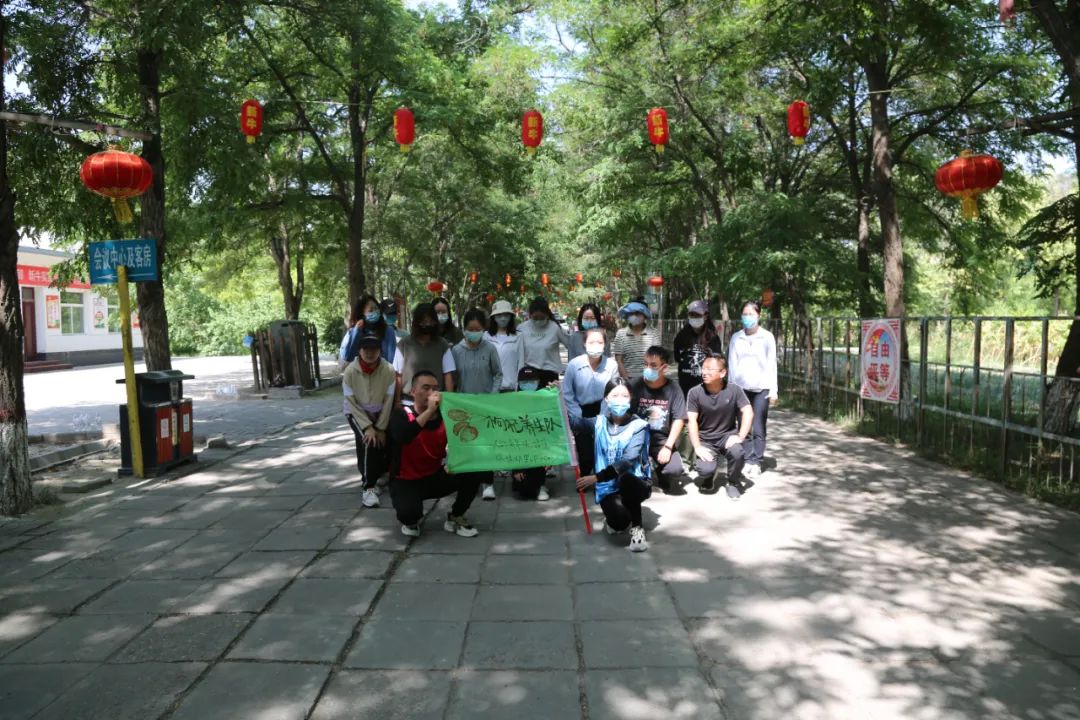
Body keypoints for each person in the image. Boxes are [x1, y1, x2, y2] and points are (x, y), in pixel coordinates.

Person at [388, 371, 481, 537]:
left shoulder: (446, 417)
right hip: (406, 480)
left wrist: (453, 462)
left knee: (473, 470)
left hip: (434, 476)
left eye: (435, 388)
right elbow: (404, 436)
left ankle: (456, 515)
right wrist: (429, 411)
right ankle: (412, 517)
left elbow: (463, 443)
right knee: (409, 516)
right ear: (413, 391)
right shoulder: (401, 414)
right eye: (426, 388)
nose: (432, 393)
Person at [575, 377, 652, 552]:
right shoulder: (599, 422)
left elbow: (628, 460)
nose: (619, 400)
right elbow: (572, 422)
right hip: (608, 487)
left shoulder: (639, 426)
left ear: (631, 398)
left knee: (626, 479)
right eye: (614, 395)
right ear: (606, 399)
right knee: (618, 523)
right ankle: (620, 517)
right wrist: (556, 398)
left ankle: (638, 530)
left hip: (636, 483)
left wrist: (596, 477)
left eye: (624, 396)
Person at [452, 308, 503, 501]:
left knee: (486, 443)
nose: (474, 332)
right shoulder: (456, 351)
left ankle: (488, 483)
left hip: (485, 403)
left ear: (484, 329)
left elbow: (498, 373)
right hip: (463, 405)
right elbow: (453, 377)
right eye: (470, 329)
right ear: (464, 329)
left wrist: (493, 396)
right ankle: (466, 482)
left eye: (478, 329)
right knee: (466, 442)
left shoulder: (489, 349)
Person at [342, 329, 396, 508]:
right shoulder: (350, 371)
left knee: (384, 440)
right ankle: (368, 487)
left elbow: (389, 400)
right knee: (368, 440)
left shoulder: (388, 370)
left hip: (380, 411)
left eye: (374, 349)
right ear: (359, 350)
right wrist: (368, 427)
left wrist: (380, 427)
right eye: (366, 349)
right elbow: (351, 402)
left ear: (380, 350)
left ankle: (382, 474)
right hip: (356, 412)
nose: (370, 353)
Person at [687, 356, 753, 499]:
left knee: (737, 452)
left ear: (723, 373)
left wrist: (740, 436)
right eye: (703, 368)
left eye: (709, 369)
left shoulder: (735, 390)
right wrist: (697, 447)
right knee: (705, 470)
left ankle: (733, 482)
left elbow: (748, 411)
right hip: (706, 439)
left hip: (727, 437)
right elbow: (691, 421)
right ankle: (709, 477)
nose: (704, 372)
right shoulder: (694, 392)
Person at [726, 300, 778, 480]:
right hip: (741, 388)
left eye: (751, 314)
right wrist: (731, 389)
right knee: (744, 425)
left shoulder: (767, 337)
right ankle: (748, 458)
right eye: (745, 314)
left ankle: (757, 460)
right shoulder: (736, 337)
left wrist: (773, 390)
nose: (748, 317)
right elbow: (732, 365)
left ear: (759, 315)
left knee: (758, 425)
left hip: (761, 388)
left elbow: (772, 364)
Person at [630, 346, 689, 493]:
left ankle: (661, 471)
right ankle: (643, 470)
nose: (648, 368)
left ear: (664, 367)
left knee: (675, 469)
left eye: (653, 365)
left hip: (661, 440)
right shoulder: (634, 385)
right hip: (637, 438)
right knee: (634, 482)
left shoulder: (674, 389)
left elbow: (679, 419)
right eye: (645, 364)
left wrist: (668, 447)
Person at [563, 328, 618, 476]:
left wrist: (602, 417)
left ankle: (602, 479)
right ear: (584, 343)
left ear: (605, 344)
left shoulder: (611, 365)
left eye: (600, 342)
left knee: (602, 452)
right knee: (586, 455)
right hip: (580, 412)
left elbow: (612, 392)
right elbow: (567, 392)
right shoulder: (574, 365)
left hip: (604, 412)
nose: (595, 346)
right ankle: (585, 479)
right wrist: (577, 414)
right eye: (591, 342)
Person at [393, 303, 455, 403]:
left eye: (431, 321)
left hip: (435, 400)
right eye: (424, 322)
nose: (427, 325)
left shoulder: (442, 344)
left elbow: (448, 374)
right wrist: (397, 402)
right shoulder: (403, 344)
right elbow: (398, 375)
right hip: (409, 401)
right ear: (417, 322)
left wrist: (450, 402)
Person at [510, 366, 550, 500]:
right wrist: (516, 469)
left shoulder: (545, 401)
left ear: (538, 382)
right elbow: (509, 437)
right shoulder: (512, 403)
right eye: (524, 382)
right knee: (523, 490)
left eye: (532, 381)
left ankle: (541, 484)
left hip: (539, 449)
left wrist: (552, 456)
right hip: (519, 450)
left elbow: (552, 430)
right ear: (519, 383)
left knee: (532, 485)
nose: (528, 384)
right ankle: (521, 478)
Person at [673, 299, 723, 396]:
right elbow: (677, 357)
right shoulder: (681, 336)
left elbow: (716, 361)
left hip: (706, 387)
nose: (694, 318)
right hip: (685, 386)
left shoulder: (712, 338)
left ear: (705, 316)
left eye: (698, 315)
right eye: (692, 315)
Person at [518, 296, 572, 387]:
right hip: (528, 374)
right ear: (530, 315)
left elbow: (570, 345)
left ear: (547, 315)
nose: (539, 321)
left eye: (542, 318)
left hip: (550, 373)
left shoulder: (554, 328)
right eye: (535, 318)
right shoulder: (522, 328)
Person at [339, 295, 393, 369]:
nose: (375, 312)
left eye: (376, 308)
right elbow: (347, 357)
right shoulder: (353, 331)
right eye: (371, 310)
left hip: (381, 373)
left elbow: (390, 359)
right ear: (362, 313)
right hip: (358, 373)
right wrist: (356, 332)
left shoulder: (387, 330)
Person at [612, 299, 659, 381]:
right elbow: (619, 360)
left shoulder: (654, 333)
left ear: (645, 315)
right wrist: (627, 379)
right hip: (628, 379)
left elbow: (657, 358)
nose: (634, 316)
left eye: (637, 313)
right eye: (631, 313)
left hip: (649, 379)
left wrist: (650, 379)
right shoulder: (621, 334)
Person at [485, 299, 525, 392]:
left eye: (506, 315)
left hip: (511, 388)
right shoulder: (486, 336)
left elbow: (521, 363)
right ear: (494, 317)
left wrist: (518, 386)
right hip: (491, 389)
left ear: (511, 317)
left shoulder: (518, 336)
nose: (503, 318)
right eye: (499, 315)